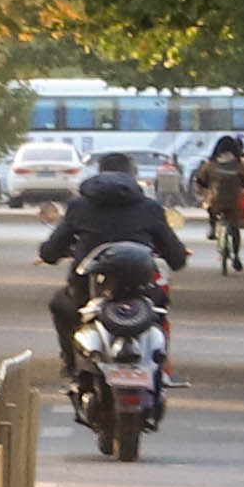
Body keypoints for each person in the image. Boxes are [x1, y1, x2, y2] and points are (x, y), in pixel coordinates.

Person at [35, 148, 194, 362]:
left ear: (99, 174)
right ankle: (159, 366)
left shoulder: (79, 207)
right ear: (133, 176)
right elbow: (177, 259)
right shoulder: (150, 208)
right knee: (159, 307)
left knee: (60, 306)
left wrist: (52, 253)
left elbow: (51, 252)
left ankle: (71, 364)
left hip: (86, 291)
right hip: (142, 291)